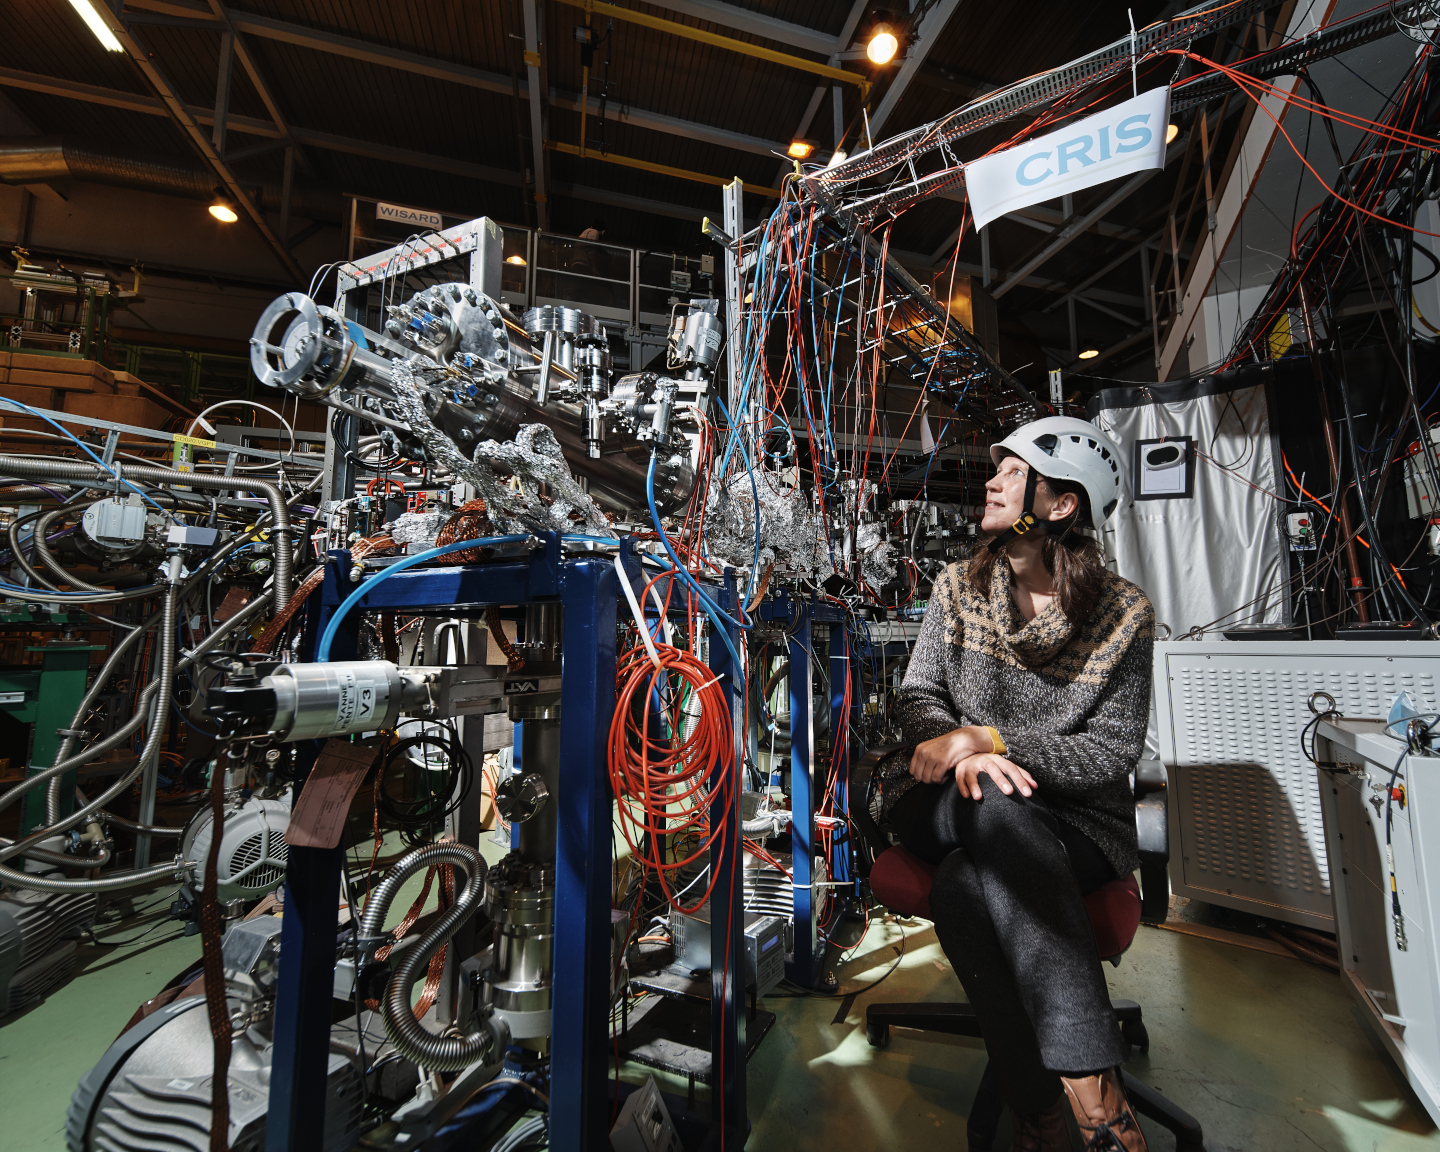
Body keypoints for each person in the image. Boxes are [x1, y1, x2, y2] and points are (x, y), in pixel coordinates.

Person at [877, 416, 1154, 1151]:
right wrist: (966, 755)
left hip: (1074, 820)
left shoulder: (1122, 616)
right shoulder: (956, 589)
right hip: (946, 797)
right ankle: (1097, 1095)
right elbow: (917, 700)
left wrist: (996, 740)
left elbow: (1111, 750)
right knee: (992, 804)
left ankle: (1036, 1111)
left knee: (968, 885)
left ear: (1060, 503)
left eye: (1012, 470)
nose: (993, 479)